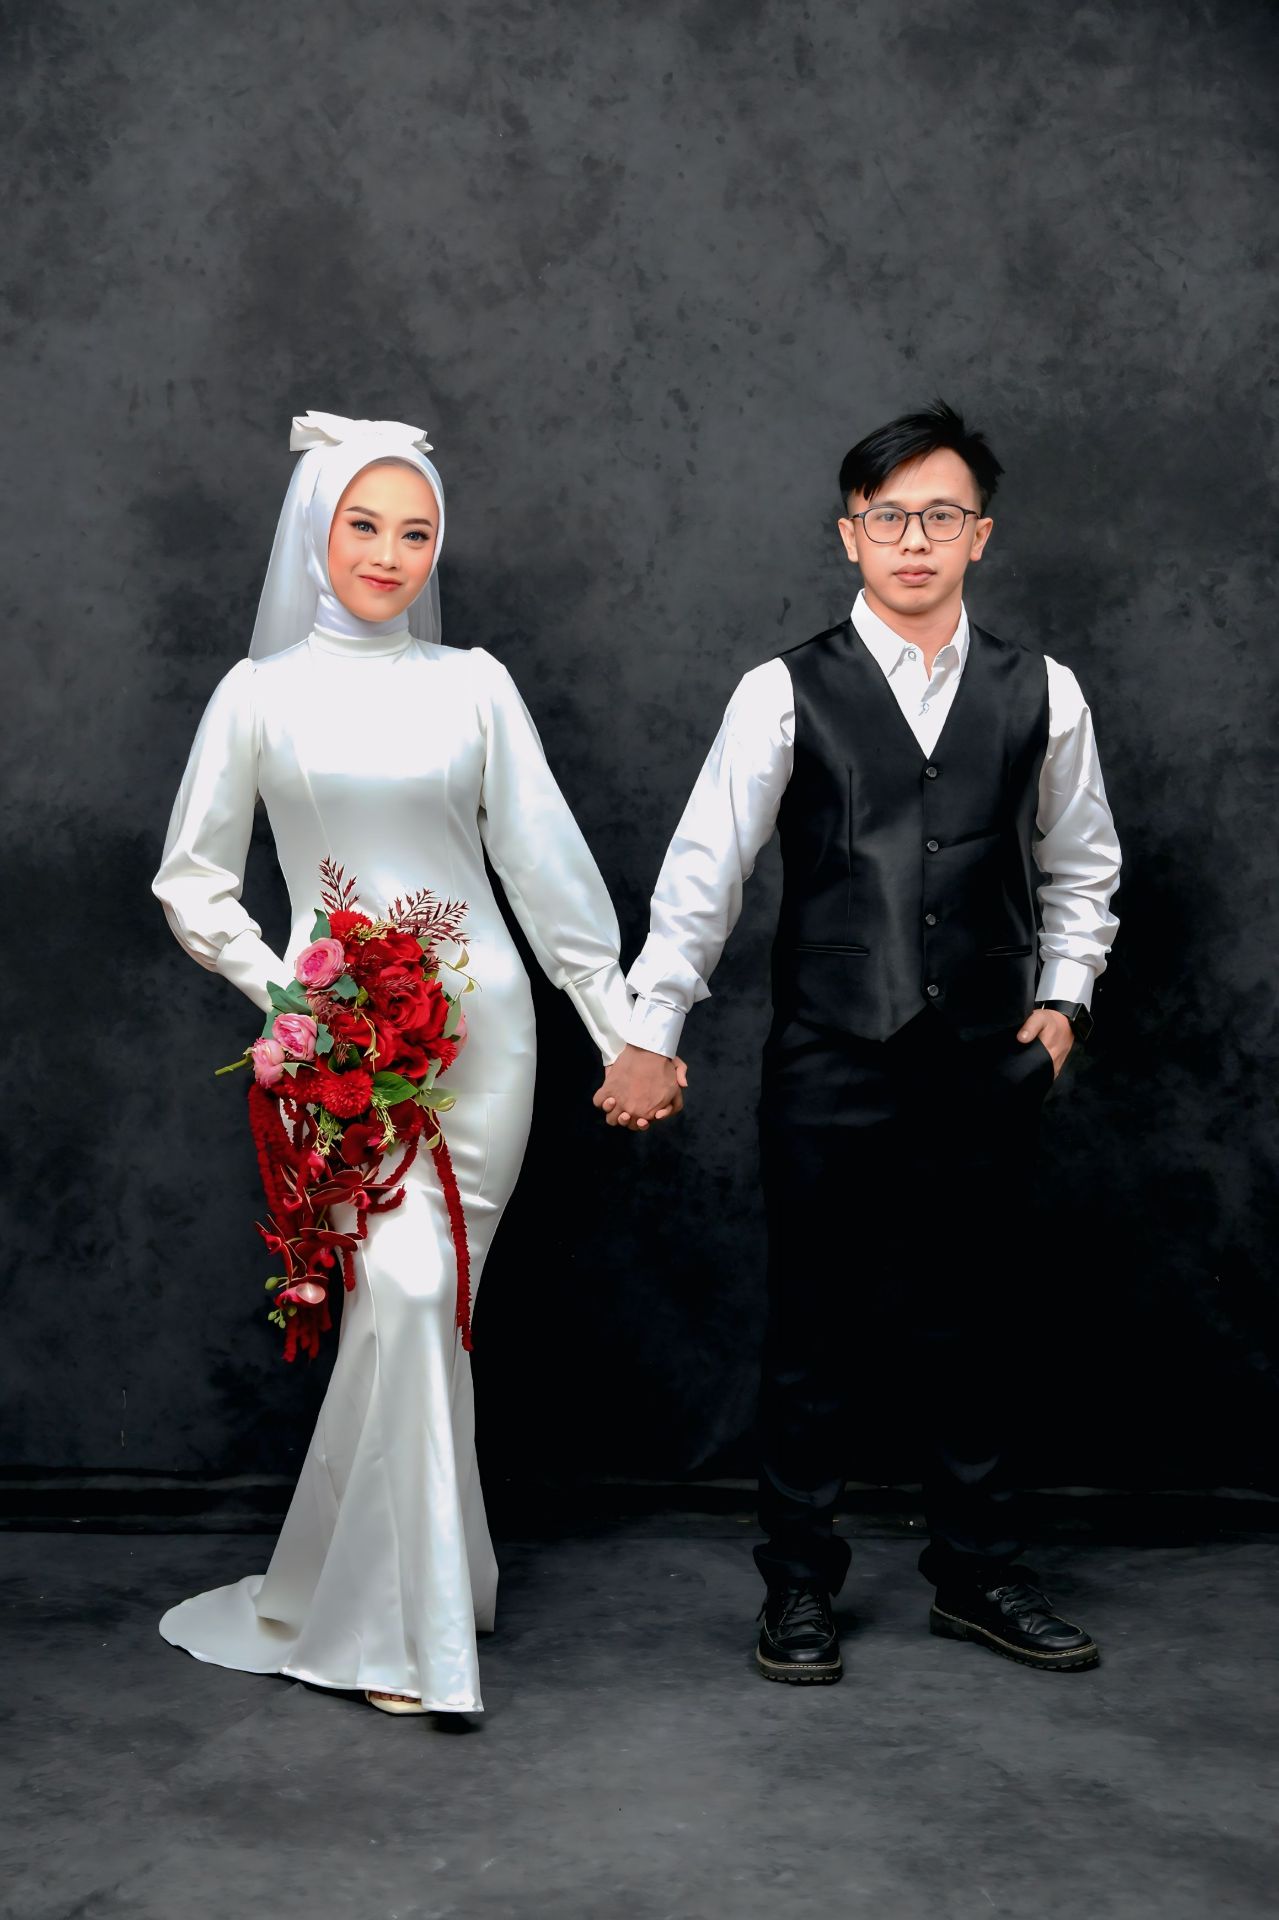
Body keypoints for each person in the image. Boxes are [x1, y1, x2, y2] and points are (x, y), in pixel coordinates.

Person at [598, 400, 1121, 1681]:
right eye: (889, 517)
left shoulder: (1044, 692)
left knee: (973, 1324)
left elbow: (1082, 866)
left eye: (942, 515)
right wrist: (651, 1031)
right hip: (829, 1059)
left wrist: (1062, 1009)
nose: (914, 540)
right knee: (814, 1331)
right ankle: (796, 1585)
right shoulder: (781, 692)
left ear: (980, 535)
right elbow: (704, 874)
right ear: (849, 536)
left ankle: (978, 1573)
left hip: (985, 1059)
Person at [154, 410, 658, 1715]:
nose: (388, 554)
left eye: (416, 531)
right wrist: (291, 998)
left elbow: (545, 870)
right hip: (341, 1059)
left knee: (419, 1315)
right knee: (410, 1297)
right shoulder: (257, 696)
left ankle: (383, 1600)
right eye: (363, 525)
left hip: (487, 1043)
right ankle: (405, 1635)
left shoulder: (473, 685)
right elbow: (192, 880)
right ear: (314, 534)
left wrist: (624, 1031)